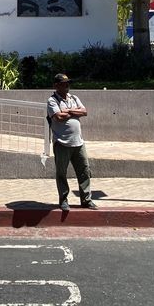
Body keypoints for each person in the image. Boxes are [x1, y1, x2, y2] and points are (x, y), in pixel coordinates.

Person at [46, 73, 97, 210]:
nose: (67, 85)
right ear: (56, 86)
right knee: (61, 173)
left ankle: (86, 200)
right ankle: (63, 200)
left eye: (68, 83)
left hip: (78, 143)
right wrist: (75, 111)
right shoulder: (52, 101)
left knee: (84, 171)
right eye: (63, 83)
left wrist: (68, 110)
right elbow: (59, 117)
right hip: (62, 143)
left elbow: (84, 111)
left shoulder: (74, 98)